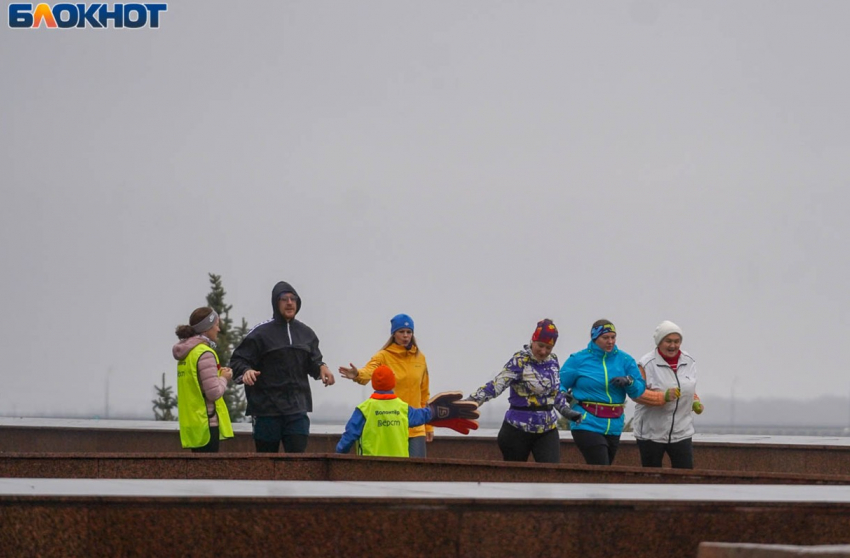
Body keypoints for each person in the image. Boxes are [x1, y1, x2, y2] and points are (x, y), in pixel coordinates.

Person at [230, 281, 335, 453]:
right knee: (266, 465)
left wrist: (322, 367)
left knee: (297, 464)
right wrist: (246, 371)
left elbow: (314, 361)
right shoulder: (260, 333)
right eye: (284, 299)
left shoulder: (306, 333)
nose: (289, 303)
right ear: (275, 302)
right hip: (266, 411)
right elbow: (237, 361)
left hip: (297, 409)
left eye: (293, 299)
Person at [465, 319, 582, 464]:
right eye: (540, 345)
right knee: (515, 480)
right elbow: (495, 386)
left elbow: (555, 392)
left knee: (551, 476)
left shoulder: (553, 360)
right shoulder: (520, 361)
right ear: (533, 340)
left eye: (548, 347)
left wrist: (566, 411)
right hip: (517, 430)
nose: (543, 351)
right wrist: (469, 403)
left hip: (547, 429)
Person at [338, 314, 432, 458]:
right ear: (394, 334)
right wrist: (357, 374)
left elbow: (424, 392)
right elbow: (369, 371)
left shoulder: (420, 358)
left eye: (409, 332)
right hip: (392, 423)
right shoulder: (383, 356)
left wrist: (429, 425)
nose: (405, 336)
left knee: (417, 474)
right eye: (401, 332)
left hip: (416, 425)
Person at [335, 365, 479, 456]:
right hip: (400, 466)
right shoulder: (402, 408)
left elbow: (350, 435)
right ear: (393, 383)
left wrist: (340, 452)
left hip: (370, 466)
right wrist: (437, 411)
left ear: (374, 384)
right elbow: (422, 416)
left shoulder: (364, 409)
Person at [559, 319, 645, 466]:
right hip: (586, 422)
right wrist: (563, 398)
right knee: (601, 466)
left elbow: (639, 390)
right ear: (594, 338)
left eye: (613, 337)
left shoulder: (625, 360)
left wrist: (629, 381)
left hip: (614, 425)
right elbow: (558, 384)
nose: (610, 341)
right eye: (605, 338)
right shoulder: (578, 359)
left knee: (603, 475)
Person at [632, 320, 704, 469]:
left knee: (685, 477)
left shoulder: (689, 361)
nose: (673, 346)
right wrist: (662, 397)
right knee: (652, 479)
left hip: (681, 432)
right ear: (659, 342)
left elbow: (688, 387)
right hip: (651, 434)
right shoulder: (646, 364)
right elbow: (636, 394)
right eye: (668, 341)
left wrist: (695, 401)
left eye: (677, 341)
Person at [173, 307, 234, 453]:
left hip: (193, 423)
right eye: (216, 325)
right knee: (208, 473)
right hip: (207, 423)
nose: (218, 329)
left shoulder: (188, 353)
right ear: (207, 328)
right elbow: (213, 393)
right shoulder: (205, 353)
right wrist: (224, 378)